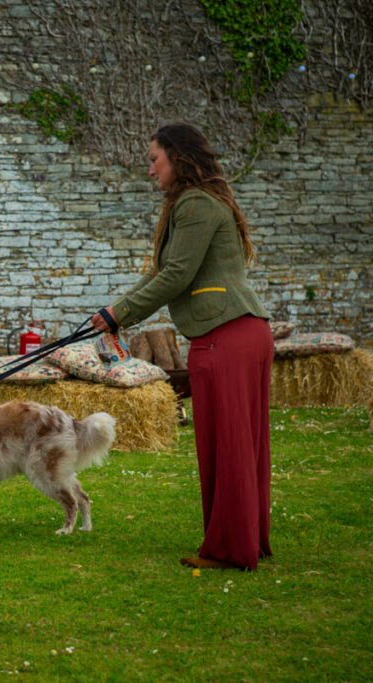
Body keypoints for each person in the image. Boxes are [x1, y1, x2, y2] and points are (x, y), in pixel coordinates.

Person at [91, 122, 273, 571]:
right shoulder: (201, 201)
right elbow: (164, 270)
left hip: (226, 334)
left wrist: (120, 314)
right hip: (236, 332)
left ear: (179, 157)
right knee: (237, 445)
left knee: (228, 446)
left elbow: (176, 275)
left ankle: (232, 550)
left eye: (155, 160)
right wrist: (116, 309)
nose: (151, 170)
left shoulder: (194, 202)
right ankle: (245, 539)